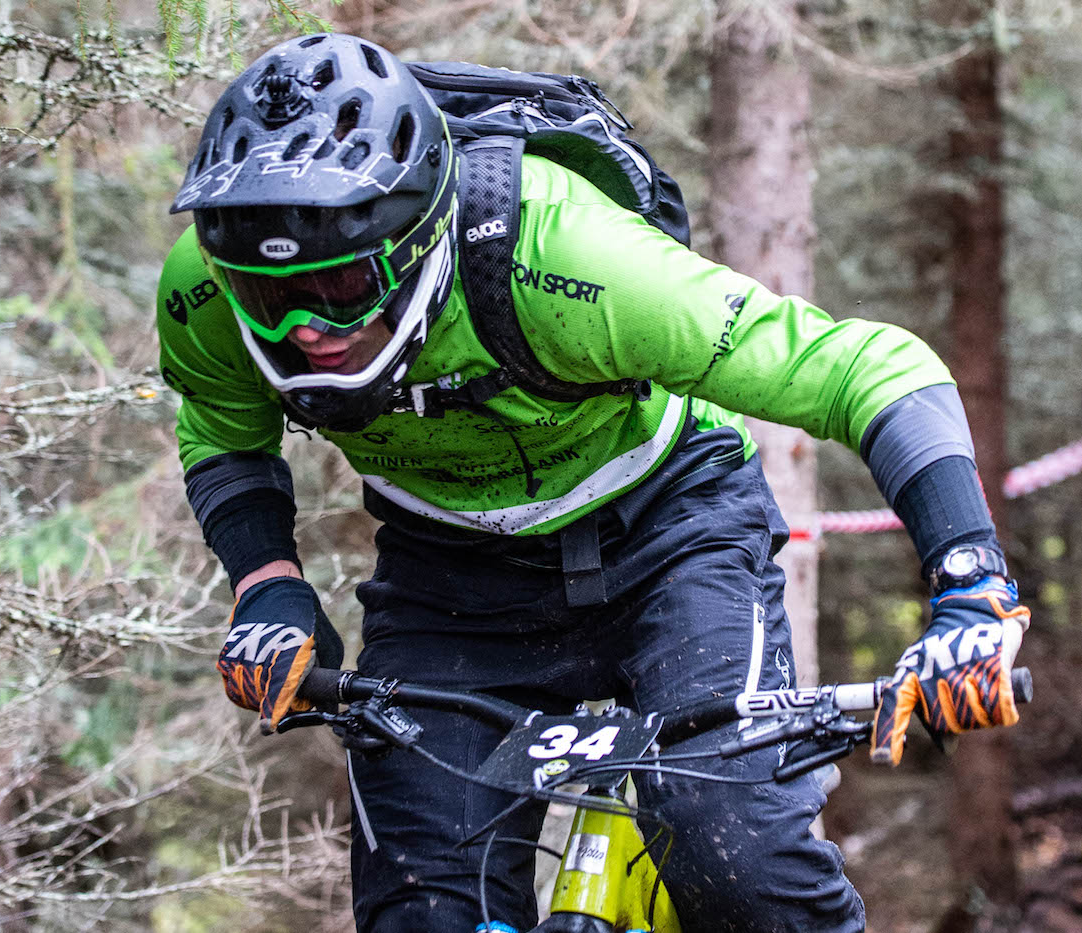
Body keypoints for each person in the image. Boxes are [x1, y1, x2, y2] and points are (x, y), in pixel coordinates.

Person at [156, 33, 1030, 933]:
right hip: (449, 577)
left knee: (737, 855)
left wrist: (970, 581)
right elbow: (222, 430)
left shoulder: (571, 256)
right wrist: (268, 587)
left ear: (417, 241)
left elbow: (869, 370)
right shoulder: (205, 288)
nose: (304, 329)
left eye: (341, 284)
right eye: (270, 297)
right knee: (424, 908)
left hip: (669, 532)